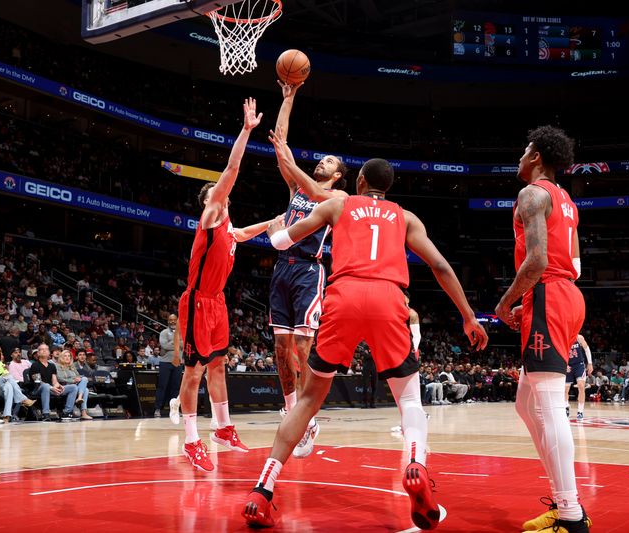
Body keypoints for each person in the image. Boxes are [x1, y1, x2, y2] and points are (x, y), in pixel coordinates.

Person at [242, 156, 488, 529]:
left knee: (308, 400)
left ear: (358, 181)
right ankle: (416, 465)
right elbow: (440, 266)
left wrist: (277, 227)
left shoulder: (338, 203)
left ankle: (263, 490)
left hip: (344, 296)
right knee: (408, 399)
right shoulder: (405, 217)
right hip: (389, 299)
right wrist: (468, 315)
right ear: (387, 187)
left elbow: (280, 242)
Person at [494, 126, 591, 532]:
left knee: (551, 409)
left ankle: (571, 515)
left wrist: (505, 302)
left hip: (547, 296)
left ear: (536, 156)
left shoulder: (532, 194)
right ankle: (562, 498)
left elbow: (535, 260)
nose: (519, 157)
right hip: (566, 295)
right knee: (525, 404)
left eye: (523, 150)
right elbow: (576, 263)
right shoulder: (567, 201)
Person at [173, 98, 277, 472]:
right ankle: (190, 439)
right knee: (194, 372)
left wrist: (273, 222)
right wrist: (246, 130)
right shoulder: (211, 215)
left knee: (218, 367)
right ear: (212, 198)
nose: (225, 190)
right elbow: (232, 169)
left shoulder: (229, 227)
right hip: (197, 303)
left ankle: (223, 428)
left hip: (217, 303)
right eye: (219, 189)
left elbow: (244, 233)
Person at [269, 83, 349, 456]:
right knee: (280, 348)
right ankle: (294, 416)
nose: (322, 162)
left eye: (330, 162)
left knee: (302, 348)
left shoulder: (337, 198)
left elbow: (303, 178)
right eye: (322, 159)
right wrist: (289, 98)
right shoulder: (296, 191)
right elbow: (281, 141)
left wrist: (288, 158)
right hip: (281, 270)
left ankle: (305, 417)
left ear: (338, 175)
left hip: (307, 272)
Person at [0, 345, 35, 422]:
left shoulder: (2, 365)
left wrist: (4, 373)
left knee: (8, 386)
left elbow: (8, 379)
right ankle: (23, 398)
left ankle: (7, 415)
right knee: (7, 377)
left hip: (2, 390)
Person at [29, 344, 78, 421]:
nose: (44, 350)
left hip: (51, 389)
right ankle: (46, 414)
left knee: (73, 387)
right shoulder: (35, 365)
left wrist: (58, 386)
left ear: (49, 353)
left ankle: (67, 412)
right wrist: (51, 387)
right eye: (42, 349)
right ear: (38, 353)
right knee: (45, 386)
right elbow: (38, 382)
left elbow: (54, 381)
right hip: (37, 389)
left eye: (46, 349)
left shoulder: (52, 366)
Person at [154, 314, 182, 419]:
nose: (172, 322)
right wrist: (177, 343)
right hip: (165, 363)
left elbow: (184, 345)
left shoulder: (181, 333)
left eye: (174, 320)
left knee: (176, 387)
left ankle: (175, 410)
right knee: (162, 386)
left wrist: (174, 343)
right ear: (168, 321)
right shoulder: (163, 333)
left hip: (178, 363)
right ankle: (158, 409)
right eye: (170, 320)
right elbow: (164, 345)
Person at [55, 350, 92, 420]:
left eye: (69, 356)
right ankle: (77, 410)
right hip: (63, 386)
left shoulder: (71, 366)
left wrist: (79, 378)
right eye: (65, 356)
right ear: (61, 357)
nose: (67, 358)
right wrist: (73, 380)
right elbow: (60, 379)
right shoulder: (57, 366)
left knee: (84, 379)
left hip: (74, 386)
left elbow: (78, 376)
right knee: (84, 389)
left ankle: (82, 409)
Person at [565, 333, 593, 421]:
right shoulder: (563, 337)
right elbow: (558, 353)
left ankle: (580, 411)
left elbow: (586, 349)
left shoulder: (579, 337)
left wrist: (590, 363)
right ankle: (566, 407)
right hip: (568, 365)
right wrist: (564, 365)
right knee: (565, 389)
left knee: (581, 386)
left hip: (579, 365)